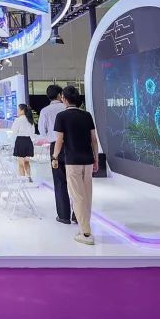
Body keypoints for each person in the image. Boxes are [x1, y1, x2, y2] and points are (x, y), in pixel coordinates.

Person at [52, 85, 100, 245]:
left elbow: (59, 140)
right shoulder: (87, 115)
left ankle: (85, 233)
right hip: (88, 160)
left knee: (77, 196)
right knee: (87, 195)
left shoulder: (61, 116)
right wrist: (96, 159)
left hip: (72, 161)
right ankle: (84, 228)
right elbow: (94, 139)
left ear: (64, 99)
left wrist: (54, 156)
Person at [37, 84, 71, 224]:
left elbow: (42, 130)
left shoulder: (45, 111)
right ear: (59, 95)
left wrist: (51, 136)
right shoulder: (66, 108)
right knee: (74, 181)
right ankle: (77, 214)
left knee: (59, 181)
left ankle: (63, 215)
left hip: (55, 146)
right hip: (71, 146)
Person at [10, 103, 35, 182]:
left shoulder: (18, 120)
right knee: (27, 162)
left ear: (22, 110)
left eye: (18, 109)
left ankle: (23, 180)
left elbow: (14, 131)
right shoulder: (30, 120)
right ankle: (29, 177)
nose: (17, 111)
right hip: (28, 141)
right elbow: (33, 132)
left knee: (20, 163)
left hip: (20, 141)